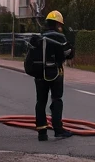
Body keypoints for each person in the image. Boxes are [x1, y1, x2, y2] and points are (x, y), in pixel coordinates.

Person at [32, 10, 75, 141]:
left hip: (39, 74)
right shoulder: (60, 37)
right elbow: (68, 54)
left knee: (40, 102)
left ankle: (42, 132)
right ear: (57, 24)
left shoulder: (40, 36)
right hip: (55, 73)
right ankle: (58, 129)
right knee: (56, 100)